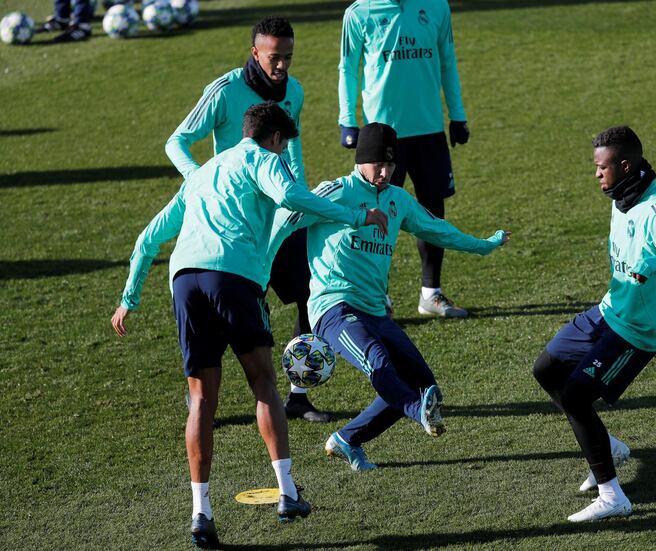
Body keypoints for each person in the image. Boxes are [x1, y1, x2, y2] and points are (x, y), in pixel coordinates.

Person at [111, 103, 388, 548]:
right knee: (263, 382)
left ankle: (201, 514)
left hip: (185, 281)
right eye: (285, 145)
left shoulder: (201, 174)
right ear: (275, 138)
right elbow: (292, 197)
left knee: (201, 400)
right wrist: (357, 215)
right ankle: (287, 492)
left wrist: (129, 298)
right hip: (233, 277)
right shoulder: (264, 160)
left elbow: (147, 239)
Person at [271, 123, 510, 471]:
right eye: (377, 165)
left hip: (374, 311)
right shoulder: (336, 192)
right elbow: (284, 217)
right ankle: (417, 412)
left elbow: (436, 229)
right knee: (380, 363)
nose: (384, 173)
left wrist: (482, 245)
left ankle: (347, 440)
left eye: (390, 166)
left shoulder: (398, 200)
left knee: (422, 384)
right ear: (360, 160)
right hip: (333, 308)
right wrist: (253, 270)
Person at [165, 16, 330, 422]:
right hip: (234, 225)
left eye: (288, 57)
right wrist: (199, 178)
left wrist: (302, 202)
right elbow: (177, 141)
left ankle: (298, 393)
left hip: (279, 216)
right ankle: (201, 394)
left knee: (309, 290)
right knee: (224, 310)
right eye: (274, 57)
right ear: (255, 52)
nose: (282, 66)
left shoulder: (295, 92)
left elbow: (292, 150)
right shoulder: (224, 91)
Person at [532, 127, 656, 522]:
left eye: (601, 167)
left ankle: (612, 496)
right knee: (547, 368)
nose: (596, 174)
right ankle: (609, 447)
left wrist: (651, 262)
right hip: (609, 312)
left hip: (638, 331)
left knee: (575, 396)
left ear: (625, 166)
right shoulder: (621, 197)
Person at [338, 0, 473, 318]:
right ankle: (376, 297)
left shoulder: (436, 7)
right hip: (382, 134)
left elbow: (447, 61)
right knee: (376, 215)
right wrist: (347, 119)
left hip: (429, 128)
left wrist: (457, 115)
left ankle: (431, 293)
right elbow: (348, 67)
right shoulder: (359, 13)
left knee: (431, 211)